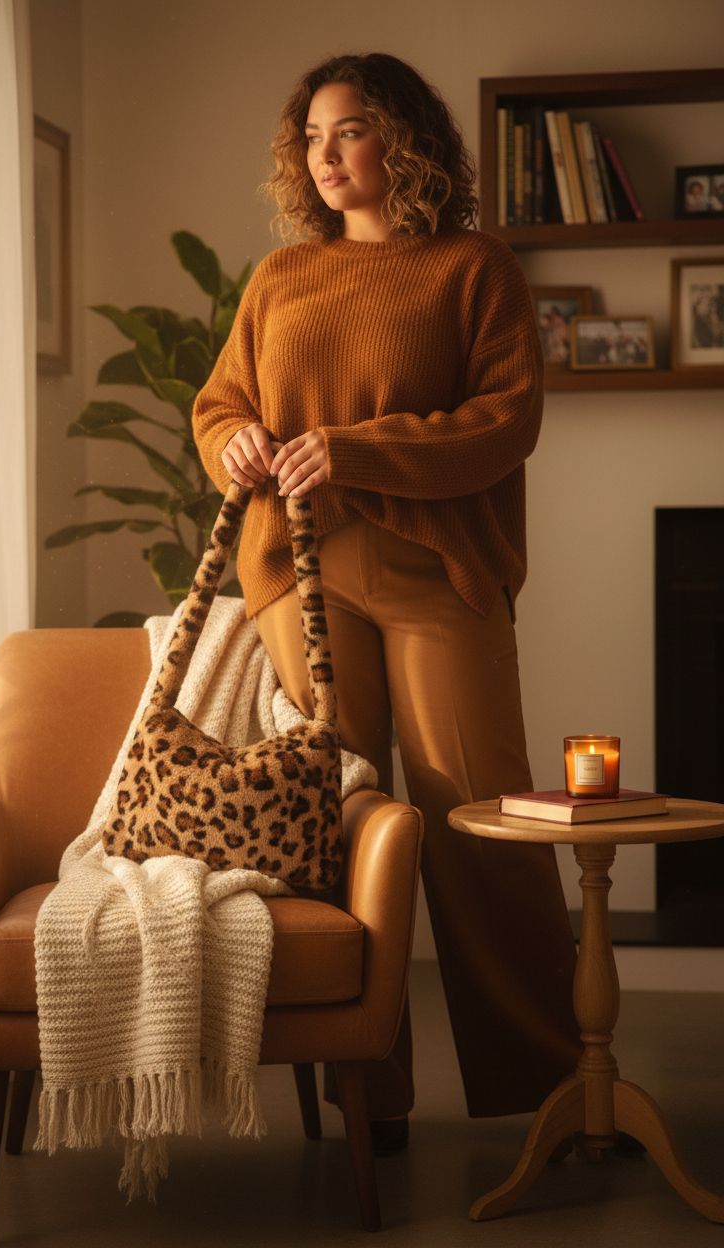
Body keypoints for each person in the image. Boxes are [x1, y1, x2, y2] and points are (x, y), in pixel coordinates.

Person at [192, 52, 579, 1153]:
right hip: (298, 576)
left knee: (480, 821)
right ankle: (369, 1098)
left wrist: (349, 448)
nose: (325, 152)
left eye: (349, 129)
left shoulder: (473, 267)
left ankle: (554, 1086)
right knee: (341, 824)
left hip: (436, 575)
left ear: (401, 140)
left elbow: (504, 422)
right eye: (311, 135)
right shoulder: (279, 281)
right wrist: (239, 443)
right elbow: (218, 403)